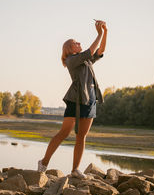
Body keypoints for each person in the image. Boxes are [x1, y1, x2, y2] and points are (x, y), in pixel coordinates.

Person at [37, 20, 108, 179]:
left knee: (81, 136)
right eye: (76, 42)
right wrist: (99, 33)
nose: (79, 43)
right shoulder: (72, 59)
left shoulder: (86, 60)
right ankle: (43, 162)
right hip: (75, 100)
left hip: (90, 100)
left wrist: (105, 31)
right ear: (70, 48)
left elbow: (100, 49)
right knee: (64, 132)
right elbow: (91, 50)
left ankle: (75, 170)